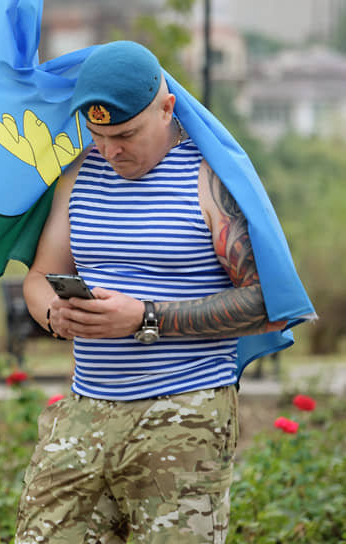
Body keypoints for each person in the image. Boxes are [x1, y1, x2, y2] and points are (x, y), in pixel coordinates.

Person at [15, 41, 294, 543]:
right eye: (98, 135)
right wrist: (55, 314)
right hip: (84, 410)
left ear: (167, 107)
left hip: (185, 411)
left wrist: (146, 317)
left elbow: (268, 304)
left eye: (125, 135)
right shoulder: (80, 174)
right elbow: (39, 277)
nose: (111, 150)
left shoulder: (209, 179)